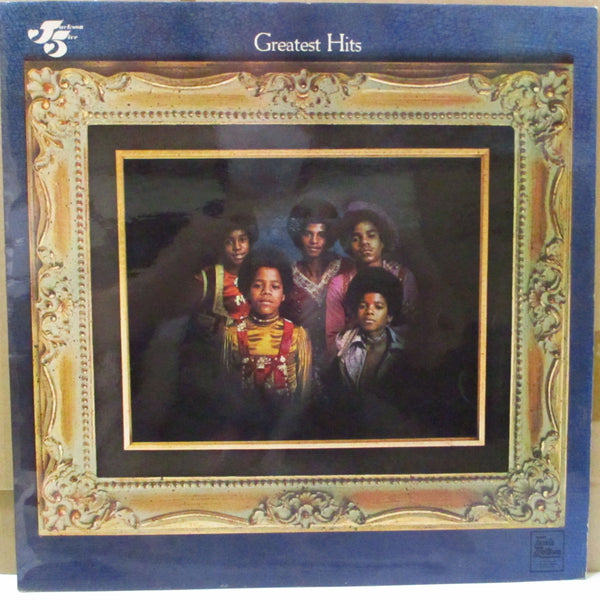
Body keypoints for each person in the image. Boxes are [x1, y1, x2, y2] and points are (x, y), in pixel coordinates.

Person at [323, 268, 428, 439]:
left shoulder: (403, 352)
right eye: (363, 306)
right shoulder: (342, 347)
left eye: (378, 307)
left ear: (389, 316)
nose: (369, 311)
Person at [221, 247, 312, 440]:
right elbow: (226, 389)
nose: (266, 292)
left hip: (285, 430)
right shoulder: (231, 335)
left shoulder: (298, 335)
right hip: (244, 429)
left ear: (284, 294)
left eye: (275, 286)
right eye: (258, 285)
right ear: (247, 290)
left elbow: (303, 394)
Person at [325, 201, 418, 354]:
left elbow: (414, 332)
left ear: (382, 241)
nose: (364, 242)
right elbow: (332, 341)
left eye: (371, 236)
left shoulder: (403, 277)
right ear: (349, 245)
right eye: (356, 238)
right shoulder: (339, 284)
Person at [283, 198, 353, 370]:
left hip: (345, 357)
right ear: (299, 236)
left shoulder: (346, 268)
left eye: (321, 234)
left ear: (329, 237)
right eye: (308, 234)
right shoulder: (286, 276)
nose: (314, 240)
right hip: (300, 360)